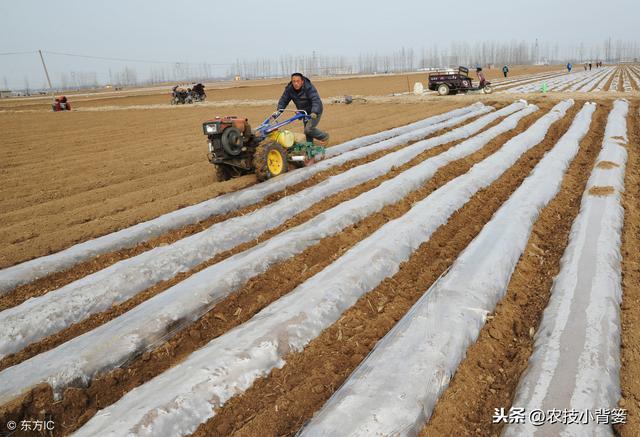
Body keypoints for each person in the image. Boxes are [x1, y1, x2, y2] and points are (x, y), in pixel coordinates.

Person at [275, 73, 329, 145]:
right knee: (307, 132)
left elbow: (315, 100)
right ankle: (309, 148)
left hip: (315, 111)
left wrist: (314, 112)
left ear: (302, 81)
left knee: (308, 129)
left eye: (298, 81)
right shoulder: (289, 89)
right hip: (304, 112)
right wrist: (279, 111)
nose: (296, 83)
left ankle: (324, 137)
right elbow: (284, 100)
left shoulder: (308, 87)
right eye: (294, 81)